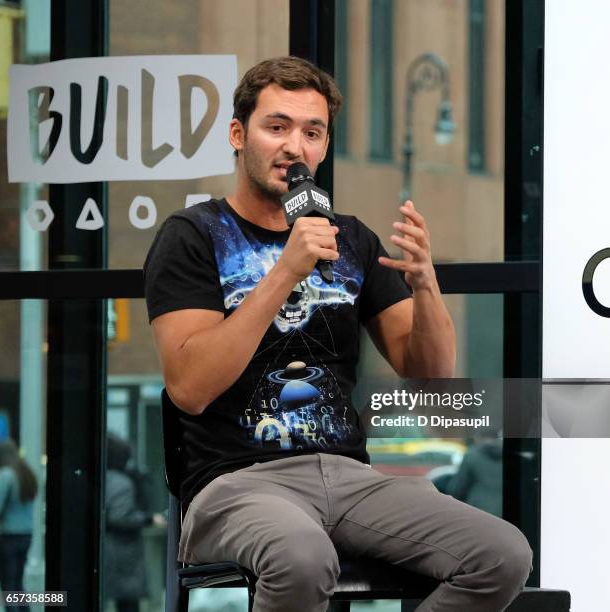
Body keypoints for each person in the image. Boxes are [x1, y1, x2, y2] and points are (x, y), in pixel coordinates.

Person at [144, 56, 533, 612]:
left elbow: (430, 380)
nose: (294, 147)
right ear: (238, 134)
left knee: (501, 553)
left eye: (312, 132)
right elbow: (190, 386)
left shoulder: (351, 239)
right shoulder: (193, 235)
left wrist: (426, 286)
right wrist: (283, 273)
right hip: (236, 482)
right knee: (301, 558)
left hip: (349, 477)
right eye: (276, 127)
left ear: (323, 148)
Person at [103, 433, 165, 612]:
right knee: (128, 601)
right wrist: (148, 519)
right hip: (122, 551)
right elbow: (120, 516)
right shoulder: (121, 483)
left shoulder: (104, 478)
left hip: (111, 550)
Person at [0, 439, 38, 612]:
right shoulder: (26, 473)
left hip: (7, 536)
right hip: (26, 535)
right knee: (18, 583)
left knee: (8, 585)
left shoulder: (6, 475)